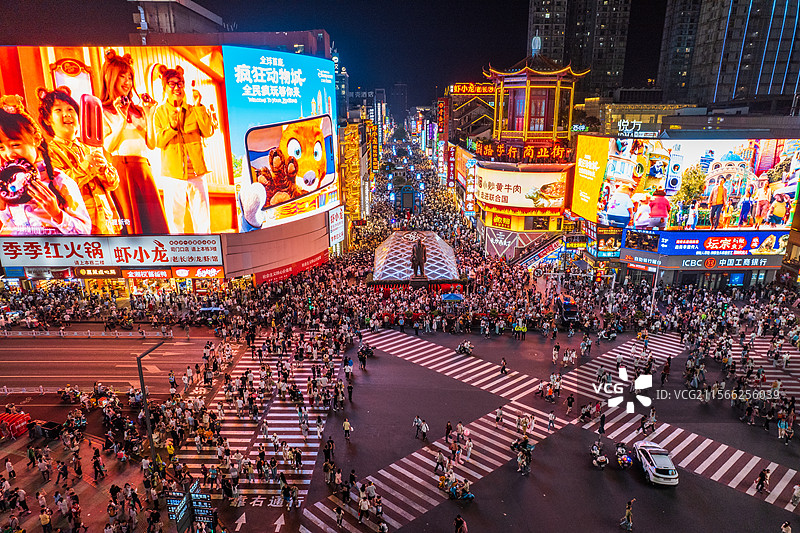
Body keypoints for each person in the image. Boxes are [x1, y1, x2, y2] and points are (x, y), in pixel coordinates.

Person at [100, 49, 169, 234]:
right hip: (122, 170)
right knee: (131, 224)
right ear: (111, 78)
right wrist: (122, 120)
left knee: (153, 224)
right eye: (122, 77)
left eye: (129, 77)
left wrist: (150, 115)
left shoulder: (138, 110)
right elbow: (109, 146)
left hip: (144, 168)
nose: (127, 82)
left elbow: (151, 144)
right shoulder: (104, 110)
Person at [0, 95, 91, 235]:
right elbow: (12, 229)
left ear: (36, 140)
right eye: (1, 148)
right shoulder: (8, 185)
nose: (9, 154)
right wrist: (2, 208)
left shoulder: (59, 181)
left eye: (15, 145)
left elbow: (84, 232)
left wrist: (57, 214)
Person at [37, 87, 121, 234]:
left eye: (70, 109)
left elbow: (112, 184)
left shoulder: (89, 146)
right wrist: (86, 166)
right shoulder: (48, 153)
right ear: (47, 120)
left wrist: (103, 170)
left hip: (105, 219)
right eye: (58, 110)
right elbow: (59, 187)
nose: (67, 114)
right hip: (80, 223)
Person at [153, 64, 215, 234]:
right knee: (175, 223)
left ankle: (207, 249)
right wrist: (172, 127)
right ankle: (178, 251)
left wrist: (199, 106)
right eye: (172, 84)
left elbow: (208, 131)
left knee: (203, 222)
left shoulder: (194, 109)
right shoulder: (159, 112)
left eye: (180, 83)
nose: (177, 88)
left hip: (197, 174)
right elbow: (157, 142)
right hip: (173, 176)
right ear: (165, 87)